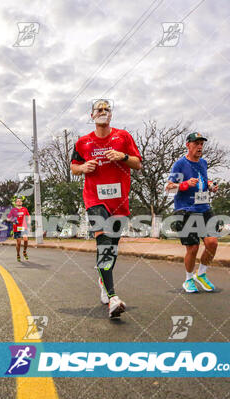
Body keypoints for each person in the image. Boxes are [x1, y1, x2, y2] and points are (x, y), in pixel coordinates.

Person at [71, 99, 142, 318]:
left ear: (111, 115)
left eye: (107, 109)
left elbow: (138, 163)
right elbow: (74, 167)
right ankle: (113, 297)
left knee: (111, 246)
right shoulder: (83, 143)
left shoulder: (123, 137)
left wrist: (123, 156)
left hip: (119, 201)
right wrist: (83, 167)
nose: (103, 112)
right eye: (99, 110)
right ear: (91, 116)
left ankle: (103, 281)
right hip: (95, 199)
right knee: (103, 242)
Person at [166, 132, 219, 293]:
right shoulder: (180, 164)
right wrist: (185, 184)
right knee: (193, 247)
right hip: (186, 209)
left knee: (212, 243)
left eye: (202, 144)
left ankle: (201, 274)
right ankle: (188, 279)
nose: (200, 147)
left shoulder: (203, 163)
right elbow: (168, 187)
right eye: (196, 143)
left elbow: (204, 180)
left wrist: (210, 186)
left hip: (204, 207)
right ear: (188, 145)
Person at [7, 197, 31, 262]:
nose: (19, 202)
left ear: (22, 202)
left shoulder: (24, 209)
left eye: (20, 201)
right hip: (16, 228)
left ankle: (24, 252)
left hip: (23, 227)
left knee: (26, 240)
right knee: (19, 242)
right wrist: (13, 220)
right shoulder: (13, 210)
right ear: (16, 203)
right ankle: (18, 254)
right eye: (18, 201)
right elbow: (8, 219)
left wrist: (29, 220)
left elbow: (28, 216)